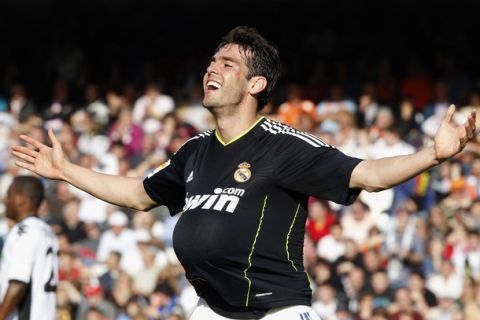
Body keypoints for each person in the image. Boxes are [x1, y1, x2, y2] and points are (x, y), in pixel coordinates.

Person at [11, 26, 476, 320]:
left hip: (277, 311)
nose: (212, 68)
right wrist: (66, 170)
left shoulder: (285, 145)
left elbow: (368, 173)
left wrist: (431, 156)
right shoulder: (193, 151)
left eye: (227, 63)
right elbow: (137, 194)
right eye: (212, 61)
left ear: (256, 84)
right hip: (210, 309)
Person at [0, 175, 59, 320]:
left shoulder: (24, 231)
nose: (6, 201)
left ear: (22, 200)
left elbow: (18, 283)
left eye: (9, 196)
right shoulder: (47, 231)